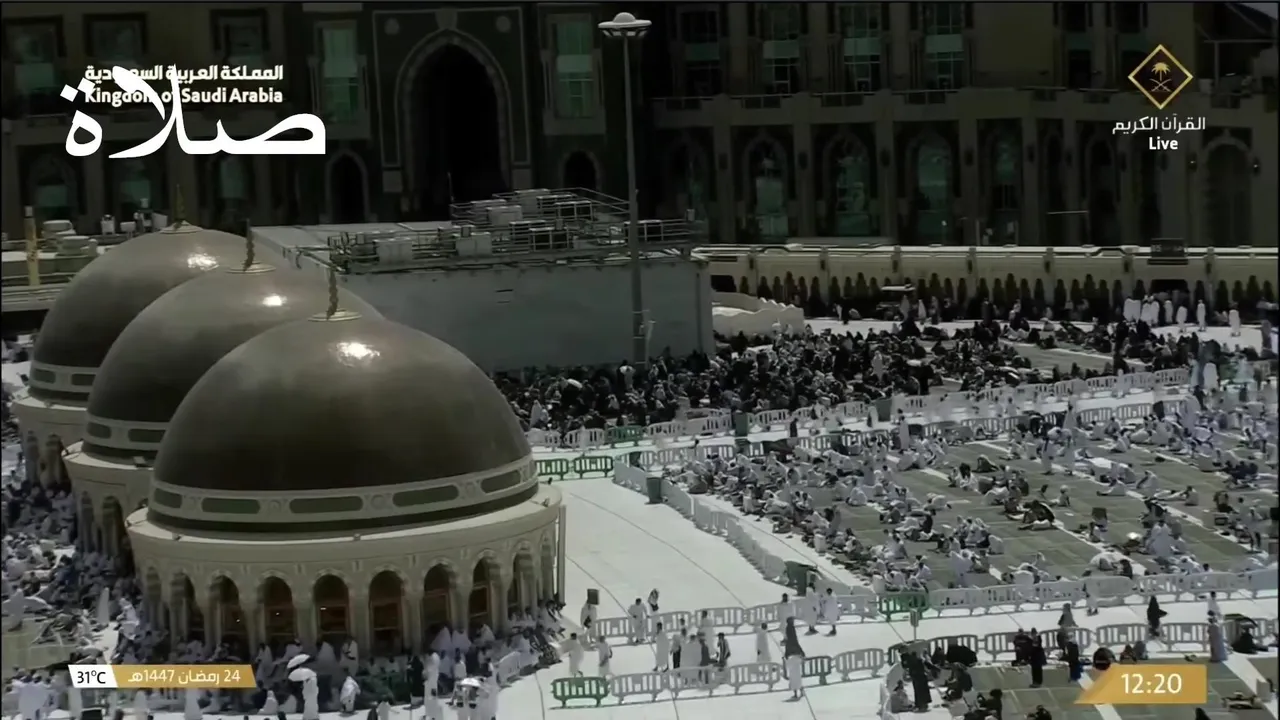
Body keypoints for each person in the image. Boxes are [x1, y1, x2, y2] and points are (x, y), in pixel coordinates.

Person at [782, 617, 806, 699]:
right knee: (797, 675)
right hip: (795, 655)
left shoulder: (787, 630)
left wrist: (786, 654)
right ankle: (800, 690)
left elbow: (788, 642)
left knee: (793, 676)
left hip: (790, 656)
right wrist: (801, 652)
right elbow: (795, 641)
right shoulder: (791, 629)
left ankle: (795, 693)